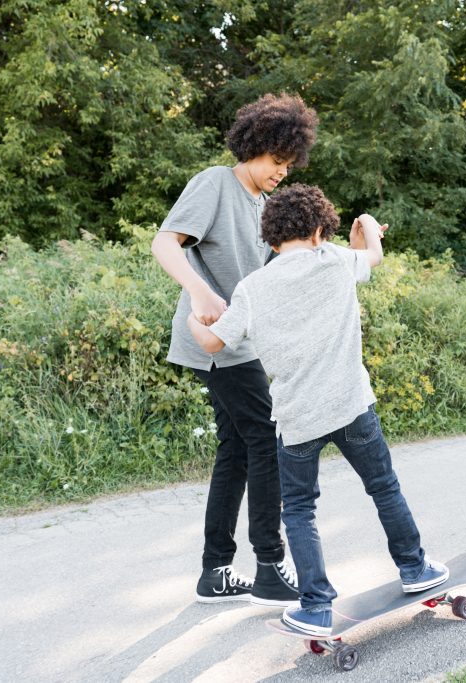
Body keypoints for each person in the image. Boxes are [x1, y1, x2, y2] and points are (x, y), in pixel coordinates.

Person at [186, 183, 448, 637]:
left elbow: (212, 342)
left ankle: (316, 606)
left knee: (300, 511)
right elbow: (373, 255)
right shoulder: (335, 261)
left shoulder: (253, 287)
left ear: (271, 241)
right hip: (351, 407)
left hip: (298, 420)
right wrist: (366, 226)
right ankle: (415, 569)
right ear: (319, 231)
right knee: (383, 487)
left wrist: (194, 315)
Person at [151, 93, 318, 607]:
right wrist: (200, 291)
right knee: (267, 439)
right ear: (254, 145)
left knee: (238, 448)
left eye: (289, 165)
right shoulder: (215, 183)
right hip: (214, 340)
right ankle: (269, 565)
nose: (281, 173)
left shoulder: (264, 206)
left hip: (241, 343)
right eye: (276, 161)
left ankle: (216, 572)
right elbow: (164, 243)